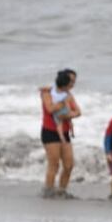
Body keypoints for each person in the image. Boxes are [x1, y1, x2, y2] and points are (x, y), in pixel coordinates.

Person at [39, 69, 81, 199]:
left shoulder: (68, 95)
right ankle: (48, 191)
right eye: (71, 81)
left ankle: (61, 191)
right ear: (64, 80)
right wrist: (64, 103)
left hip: (65, 131)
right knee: (54, 164)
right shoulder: (47, 93)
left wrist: (67, 115)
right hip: (49, 131)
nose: (73, 84)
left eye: (74, 81)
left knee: (69, 165)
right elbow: (50, 109)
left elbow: (78, 112)